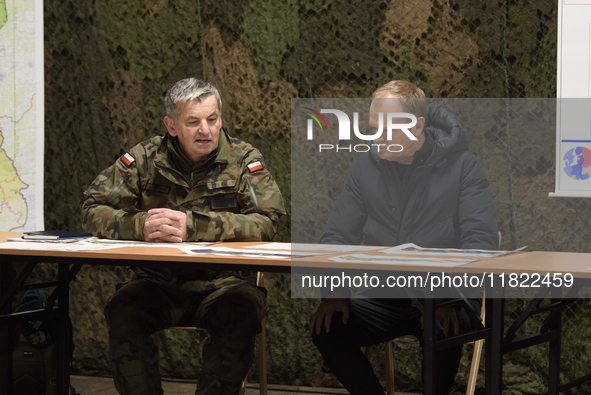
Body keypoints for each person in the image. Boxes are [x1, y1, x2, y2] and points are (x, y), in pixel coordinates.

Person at [82, 77, 285, 395]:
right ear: (172, 125)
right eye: (193, 122)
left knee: (241, 311)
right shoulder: (145, 159)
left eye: (213, 119)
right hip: (158, 284)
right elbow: (92, 209)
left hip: (222, 286)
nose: (206, 130)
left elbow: (268, 222)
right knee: (123, 309)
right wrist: (140, 226)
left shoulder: (243, 159)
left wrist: (196, 227)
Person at [309, 80, 498, 395]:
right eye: (372, 127)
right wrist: (334, 293)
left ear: (417, 126)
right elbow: (337, 236)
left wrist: (447, 296)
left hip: (446, 297)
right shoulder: (364, 168)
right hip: (384, 293)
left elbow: (481, 242)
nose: (376, 137)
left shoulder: (464, 167)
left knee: (443, 328)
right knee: (328, 326)